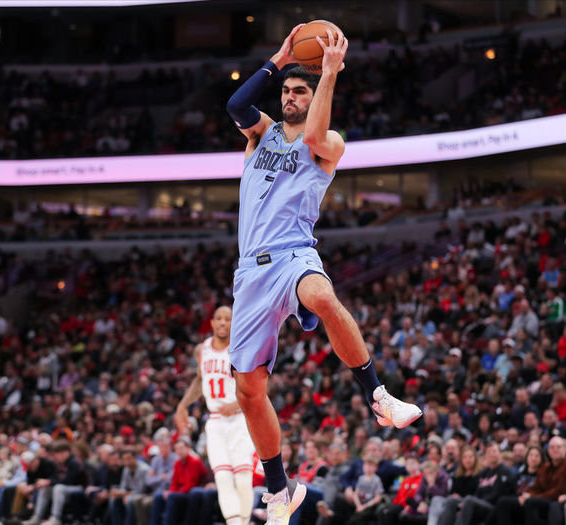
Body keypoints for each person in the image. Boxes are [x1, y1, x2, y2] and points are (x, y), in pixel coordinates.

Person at [225, 23, 422, 525]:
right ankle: (279, 490)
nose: (290, 96)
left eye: (300, 90)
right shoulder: (259, 133)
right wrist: (278, 58)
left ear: (314, 97)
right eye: (286, 90)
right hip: (250, 272)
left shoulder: (327, 142)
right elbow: (235, 104)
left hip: (294, 254)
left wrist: (329, 73)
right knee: (249, 391)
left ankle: (377, 396)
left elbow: (314, 132)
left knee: (324, 298)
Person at [175, 306, 255, 525]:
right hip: (216, 420)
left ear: (234, 322)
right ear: (211, 323)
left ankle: (244, 522)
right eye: (218, 319)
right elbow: (201, 381)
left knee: (242, 477)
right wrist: (182, 405)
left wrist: (238, 403)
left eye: (227, 319)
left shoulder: (242, 346)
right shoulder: (203, 349)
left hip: (239, 419)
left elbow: (259, 383)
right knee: (222, 476)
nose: (222, 323)